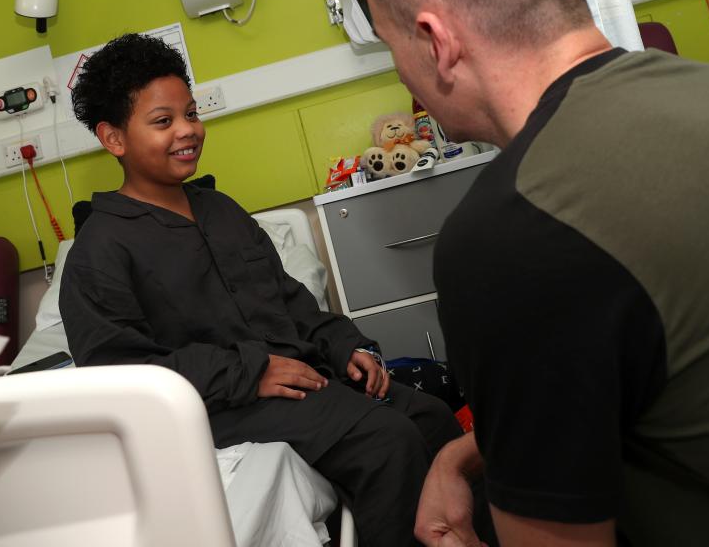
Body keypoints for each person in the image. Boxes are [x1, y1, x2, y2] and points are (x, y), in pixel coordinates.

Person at [361, 0, 709, 547]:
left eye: (391, 44)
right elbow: (680, 367)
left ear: (434, 40)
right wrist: (464, 449)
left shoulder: (512, 235)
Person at [58, 33, 468, 547]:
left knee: (431, 418)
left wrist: (347, 347)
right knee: (386, 442)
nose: (187, 131)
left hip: (301, 381)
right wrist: (251, 372)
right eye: (163, 122)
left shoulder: (220, 211)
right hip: (221, 409)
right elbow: (120, 374)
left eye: (191, 114)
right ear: (114, 138)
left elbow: (292, 300)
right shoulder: (99, 250)